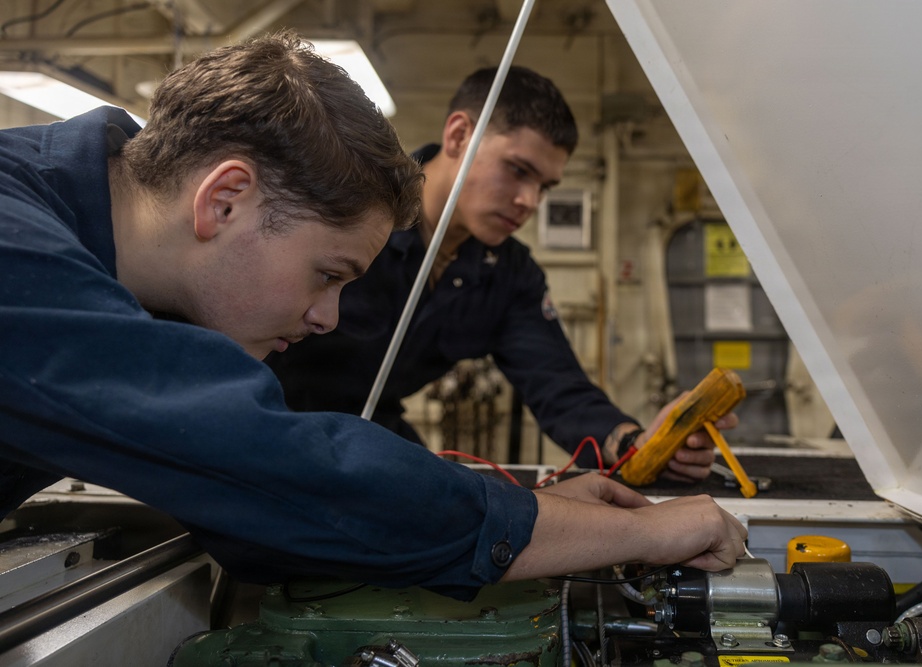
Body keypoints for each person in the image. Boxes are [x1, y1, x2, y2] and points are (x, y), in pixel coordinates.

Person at [0, 32, 746, 602]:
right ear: (224, 200)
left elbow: (549, 377)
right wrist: (636, 531)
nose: (329, 316)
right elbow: (276, 467)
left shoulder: (99, 225)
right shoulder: (14, 244)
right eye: (328, 275)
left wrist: (567, 491)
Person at [266, 65, 735, 475]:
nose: (530, 201)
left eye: (544, 186)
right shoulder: (348, 209)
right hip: (263, 420)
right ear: (458, 137)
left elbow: (558, 385)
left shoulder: (509, 277)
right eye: (517, 170)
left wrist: (635, 445)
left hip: (368, 430)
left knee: (449, 512)